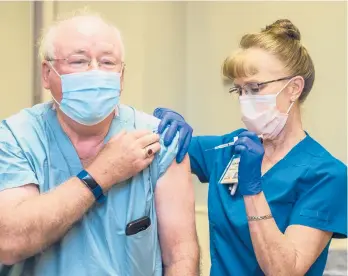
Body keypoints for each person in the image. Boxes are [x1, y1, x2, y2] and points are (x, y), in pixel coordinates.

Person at [0, 13, 199, 276]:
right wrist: (101, 172)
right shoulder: (17, 137)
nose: (95, 72)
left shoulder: (158, 139)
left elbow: (181, 258)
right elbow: (10, 241)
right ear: (47, 74)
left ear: (122, 75)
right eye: (79, 61)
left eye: (107, 62)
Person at [154, 19, 347, 275]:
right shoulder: (229, 147)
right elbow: (163, 148)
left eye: (255, 88)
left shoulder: (326, 175)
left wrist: (253, 190)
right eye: (239, 90)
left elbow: (285, 271)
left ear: (294, 88)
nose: (245, 100)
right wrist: (157, 124)